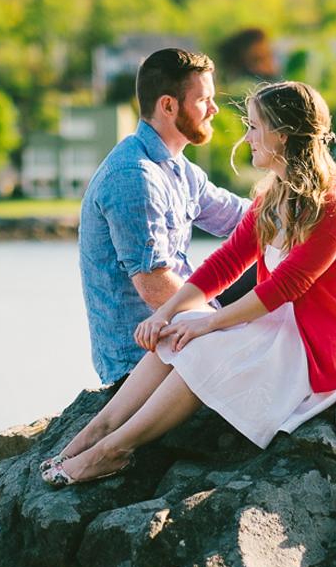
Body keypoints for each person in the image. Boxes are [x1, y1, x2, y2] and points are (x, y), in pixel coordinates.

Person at [44, 81, 336, 485]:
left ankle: (114, 450)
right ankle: (96, 431)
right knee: (175, 334)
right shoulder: (271, 198)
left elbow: (283, 288)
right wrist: (170, 312)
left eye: (255, 127)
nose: (247, 138)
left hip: (323, 344)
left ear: (284, 136)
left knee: (204, 345)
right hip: (281, 322)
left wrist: (207, 322)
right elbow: (226, 262)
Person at [80, 48, 250, 385]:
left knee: (281, 259)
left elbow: (243, 219)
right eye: (204, 100)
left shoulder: (177, 168)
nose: (214, 110)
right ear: (169, 106)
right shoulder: (134, 175)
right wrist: (223, 327)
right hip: (141, 360)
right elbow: (155, 286)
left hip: (181, 325)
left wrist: (325, 235)